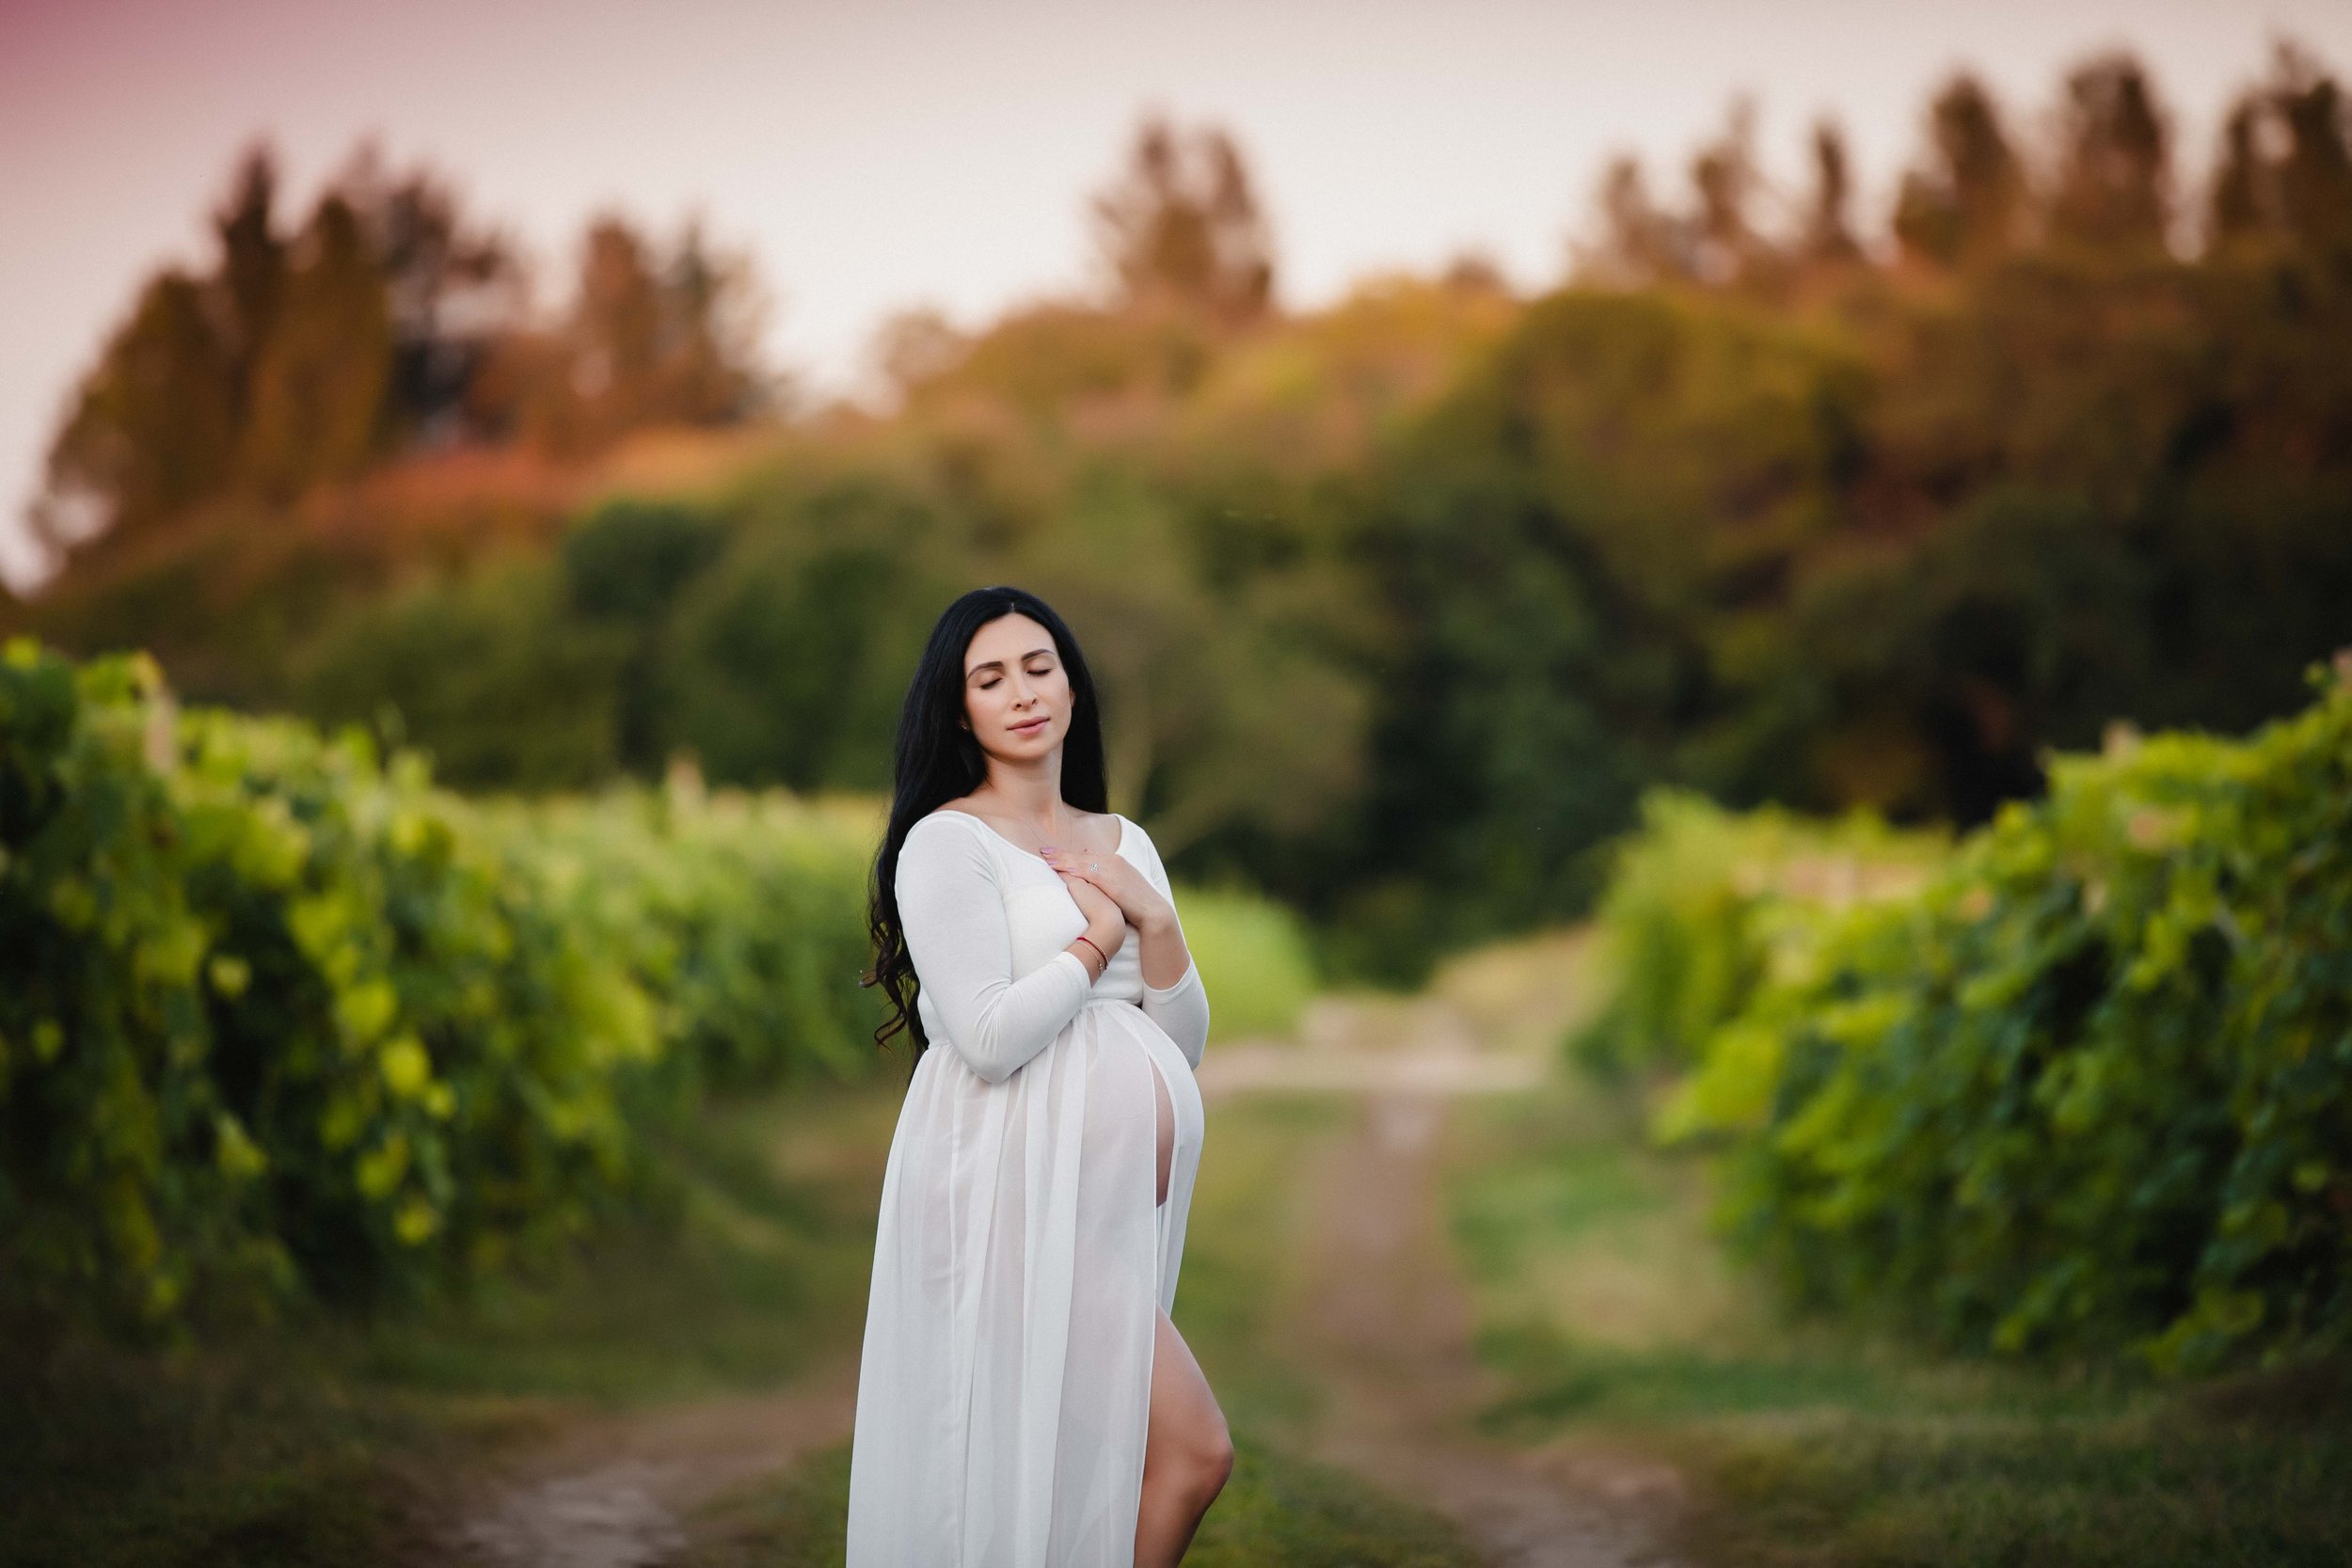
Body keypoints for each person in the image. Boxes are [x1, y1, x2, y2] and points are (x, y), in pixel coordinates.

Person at [849, 585, 1233, 1565]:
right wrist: (1102, 930)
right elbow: (982, 1035)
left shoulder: (1123, 839)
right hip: (1006, 1201)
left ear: (1070, 682)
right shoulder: (947, 842)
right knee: (1191, 1452)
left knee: (1075, 1469)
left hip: (1093, 1211)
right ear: (959, 706)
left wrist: (1154, 919)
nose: (1021, 691)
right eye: (989, 676)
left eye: (1038, 665)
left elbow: (1178, 1039)